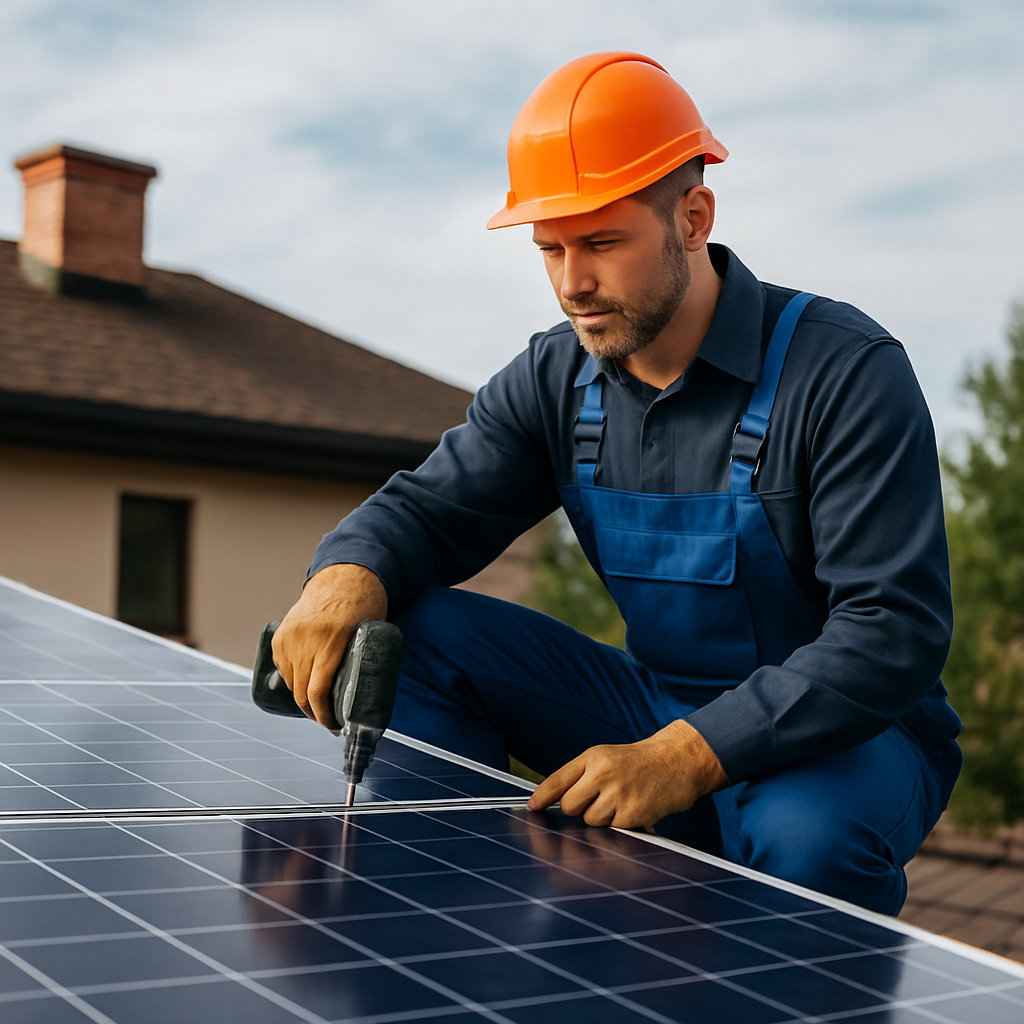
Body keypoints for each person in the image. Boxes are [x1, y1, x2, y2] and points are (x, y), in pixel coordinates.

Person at [273, 51, 962, 915]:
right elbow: (429, 509)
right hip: (652, 701)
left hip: (847, 737)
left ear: (693, 217)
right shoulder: (554, 378)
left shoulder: (846, 371)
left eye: (601, 242)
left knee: (809, 843)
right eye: (550, 249)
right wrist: (344, 575)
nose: (573, 283)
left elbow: (891, 631)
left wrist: (683, 759)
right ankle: (444, 927)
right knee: (408, 626)